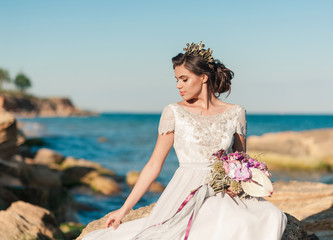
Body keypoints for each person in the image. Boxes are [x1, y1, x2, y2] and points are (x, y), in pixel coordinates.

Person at [82, 41, 287, 240]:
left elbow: (240, 160)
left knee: (271, 216)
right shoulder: (174, 112)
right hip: (187, 188)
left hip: (223, 190)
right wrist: (124, 209)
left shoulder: (236, 113)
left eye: (184, 79)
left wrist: (238, 186)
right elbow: (154, 165)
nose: (179, 85)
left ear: (204, 77)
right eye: (177, 80)